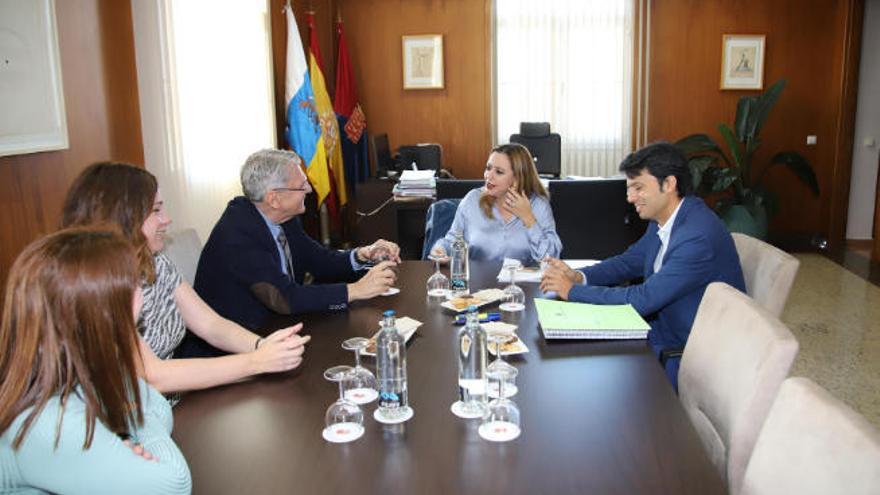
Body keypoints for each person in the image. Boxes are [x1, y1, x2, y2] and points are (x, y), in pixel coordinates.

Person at [61, 163, 310, 395]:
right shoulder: (96, 285)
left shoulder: (156, 263)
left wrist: (262, 346)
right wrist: (255, 362)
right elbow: (152, 376)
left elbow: (211, 325)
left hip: (172, 404)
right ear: (123, 216)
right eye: (156, 211)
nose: (167, 219)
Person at [0, 227, 191, 493]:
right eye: (133, 281)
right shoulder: (47, 421)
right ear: (102, 307)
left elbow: (158, 406)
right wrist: (135, 435)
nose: (141, 290)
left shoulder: (72, 368)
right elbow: (173, 483)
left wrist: (128, 436)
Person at [540, 142, 745, 389]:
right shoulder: (666, 218)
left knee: (596, 381)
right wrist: (579, 276)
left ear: (668, 184)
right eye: (629, 188)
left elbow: (643, 299)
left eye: (638, 188)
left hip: (687, 352)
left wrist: (572, 291)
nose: (630, 198)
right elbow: (629, 262)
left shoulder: (696, 236)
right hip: (661, 329)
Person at [192, 148, 399, 343]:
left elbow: (319, 260)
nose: (309, 190)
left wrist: (361, 255)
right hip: (237, 346)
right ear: (274, 198)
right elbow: (284, 298)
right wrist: (355, 290)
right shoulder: (238, 235)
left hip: (278, 330)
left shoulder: (283, 218)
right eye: (301, 186)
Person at [429, 143, 562, 264]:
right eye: (488, 168)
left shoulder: (538, 205)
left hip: (523, 287)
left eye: (499, 172)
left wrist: (528, 219)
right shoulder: (472, 200)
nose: (489, 176)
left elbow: (551, 258)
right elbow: (452, 241)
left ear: (518, 177)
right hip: (479, 286)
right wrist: (440, 249)